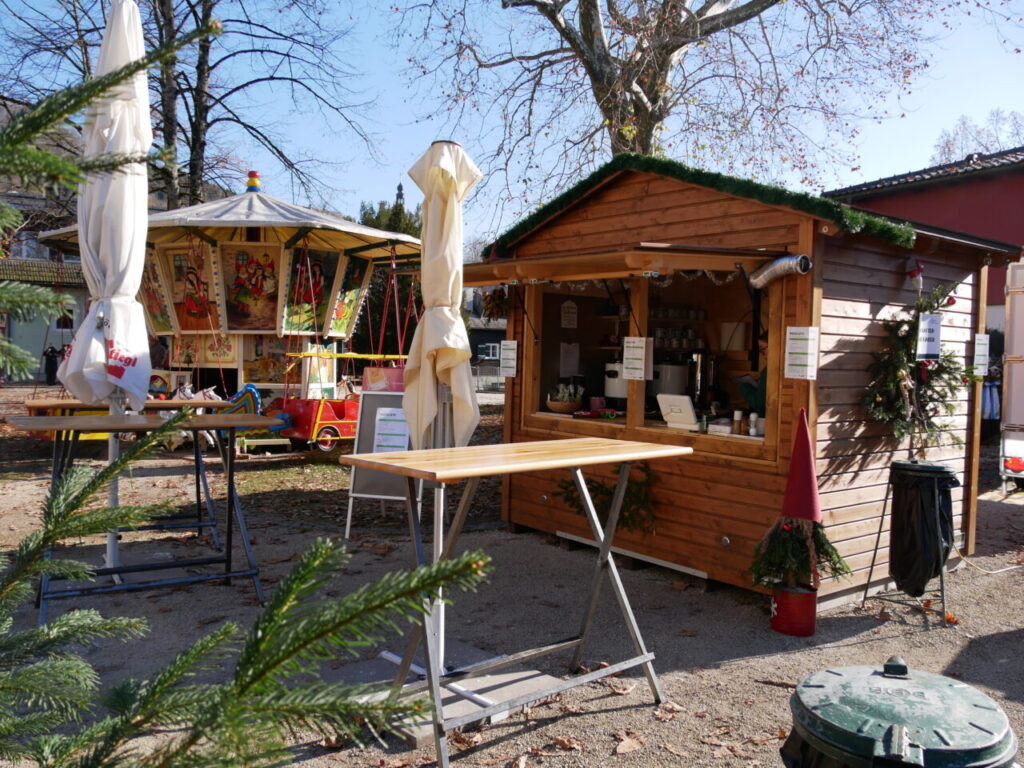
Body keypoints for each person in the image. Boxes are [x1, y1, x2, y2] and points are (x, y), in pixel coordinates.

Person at [740, 332, 768, 415]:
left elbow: (759, 405)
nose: (761, 353)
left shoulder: (767, 372)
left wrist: (745, 388)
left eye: (762, 349)